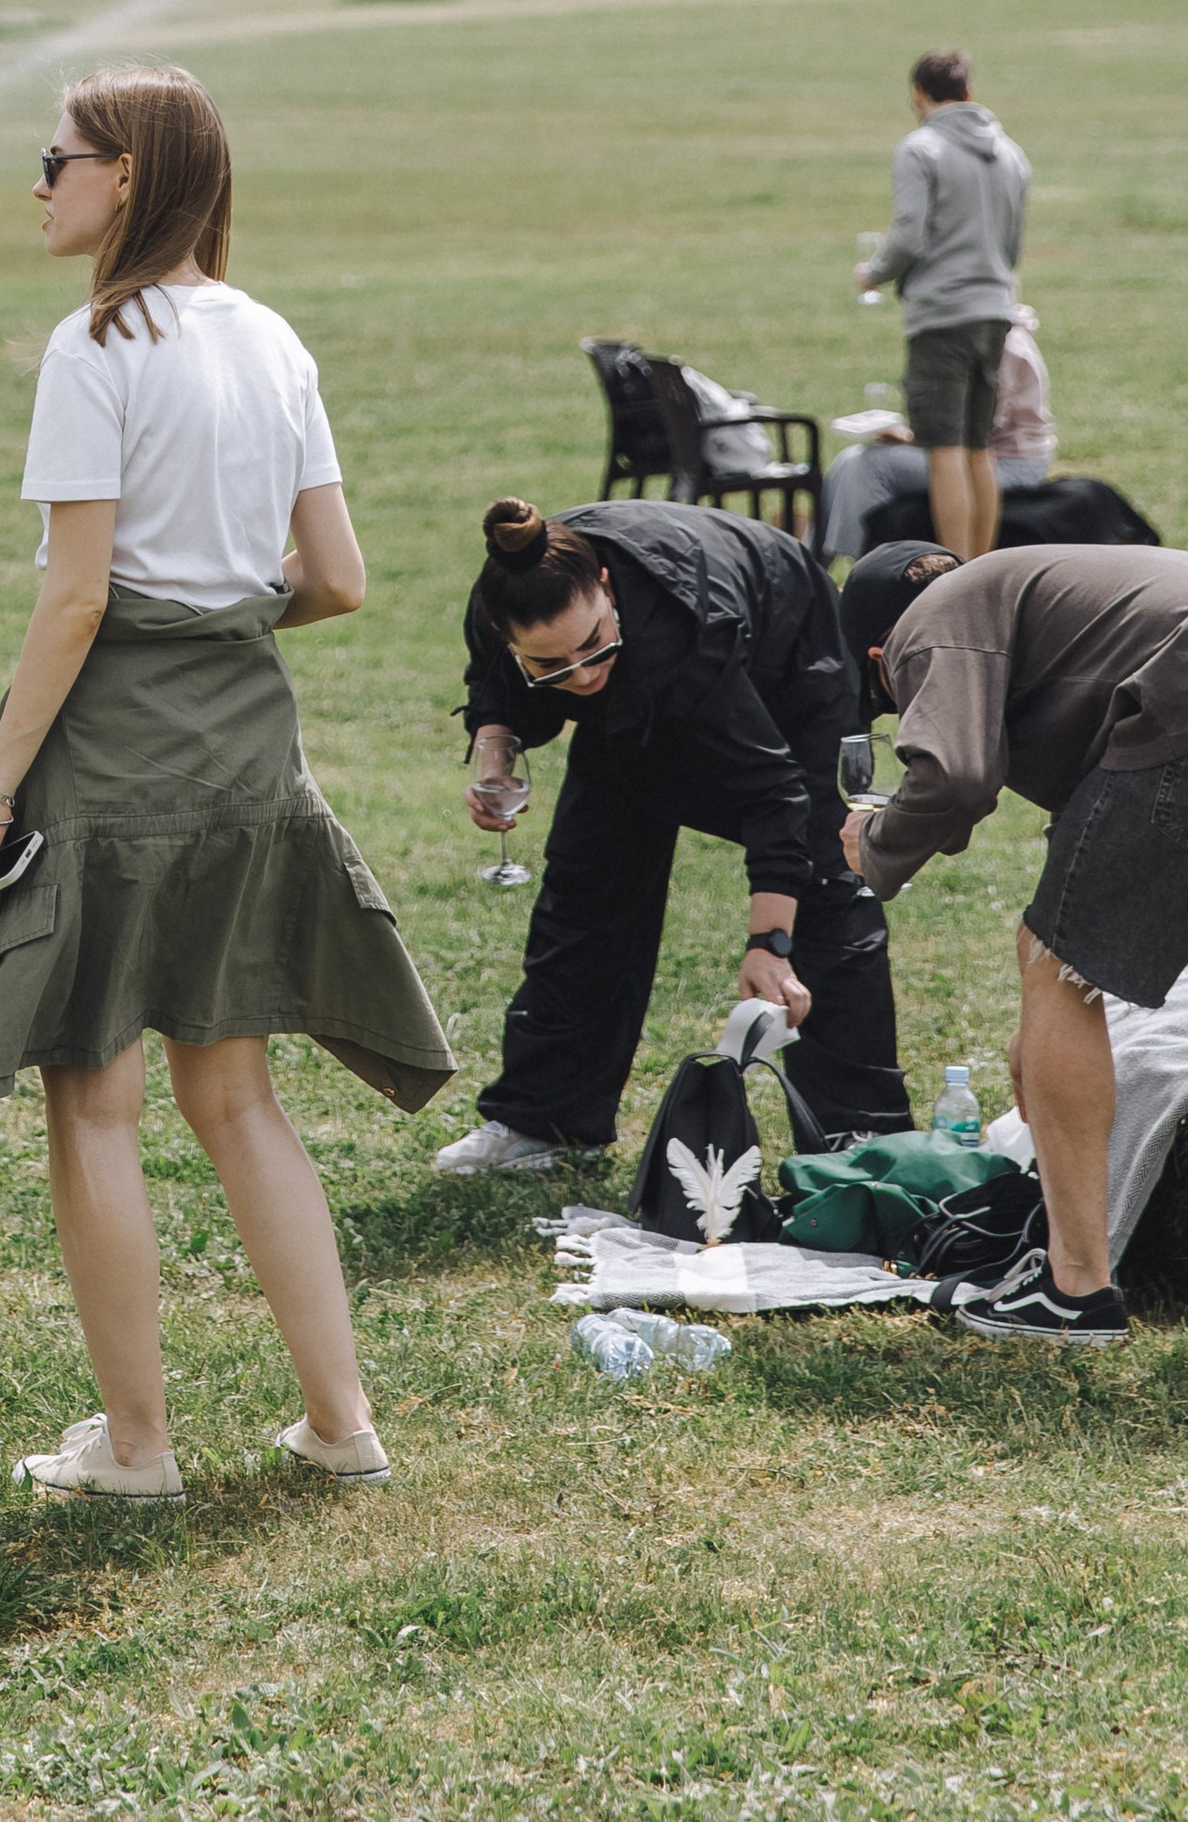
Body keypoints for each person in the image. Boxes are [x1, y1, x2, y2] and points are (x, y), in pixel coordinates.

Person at [0, 67, 454, 1500]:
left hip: (114, 761)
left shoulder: (93, 346)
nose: (38, 183)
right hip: (250, 754)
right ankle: (342, 1421)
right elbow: (336, 579)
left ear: (131, 177)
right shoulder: (271, 338)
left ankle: (141, 1449)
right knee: (239, 1094)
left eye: (57, 159)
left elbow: (75, 600)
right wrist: (220, 616)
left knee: (93, 1099)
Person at [435, 497, 910, 1179]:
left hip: (788, 654)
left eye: (593, 645)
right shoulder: (502, 605)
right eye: (554, 665)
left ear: (604, 581)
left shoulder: (688, 631)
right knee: (587, 878)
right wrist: (495, 764)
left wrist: (768, 944)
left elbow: (775, 791)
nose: (584, 677)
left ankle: (861, 1135)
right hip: (657, 651)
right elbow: (495, 692)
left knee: (826, 875)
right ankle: (547, 1118)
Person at [841, 536, 1188, 1344]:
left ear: (876, 655)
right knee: (1053, 964)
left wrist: (876, 843)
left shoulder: (930, 622)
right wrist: (1040, 1037)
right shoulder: (1035, 596)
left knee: (1053, 963)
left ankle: (1074, 1289)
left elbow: (956, 776)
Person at [855, 51, 1030, 560]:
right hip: (996, 309)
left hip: (942, 315)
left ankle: (955, 576)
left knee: (944, 451)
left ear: (918, 95)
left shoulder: (920, 148)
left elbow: (908, 235)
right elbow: (1013, 243)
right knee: (980, 449)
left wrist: (875, 273)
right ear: (969, 93)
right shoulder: (1010, 152)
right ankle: (983, 569)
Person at [817, 302, 1055, 569]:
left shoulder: (1003, 344)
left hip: (1008, 464)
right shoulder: (991, 332)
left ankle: (856, 568)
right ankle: (812, 565)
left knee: (867, 465)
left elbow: (981, 429)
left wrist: (911, 437)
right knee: (846, 461)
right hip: (973, 453)